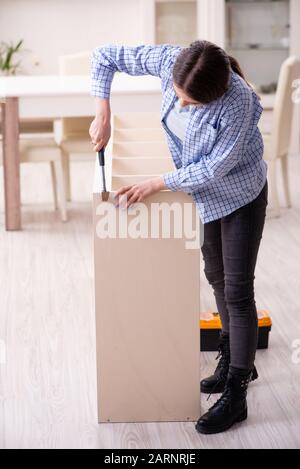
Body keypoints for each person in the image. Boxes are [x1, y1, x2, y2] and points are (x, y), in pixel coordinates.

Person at [89, 40, 268, 435]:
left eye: (192, 104)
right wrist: (104, 110)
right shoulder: (173, 60)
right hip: (203, 197)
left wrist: (158, 182)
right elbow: (104, 56)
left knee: (237, 290)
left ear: (217, 93)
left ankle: (237, 392)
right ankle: (232, 354)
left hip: (239, 194)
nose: (182, 106)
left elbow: (212, 170)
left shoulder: (238, 103)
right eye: (179, 97)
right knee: (215, 276)